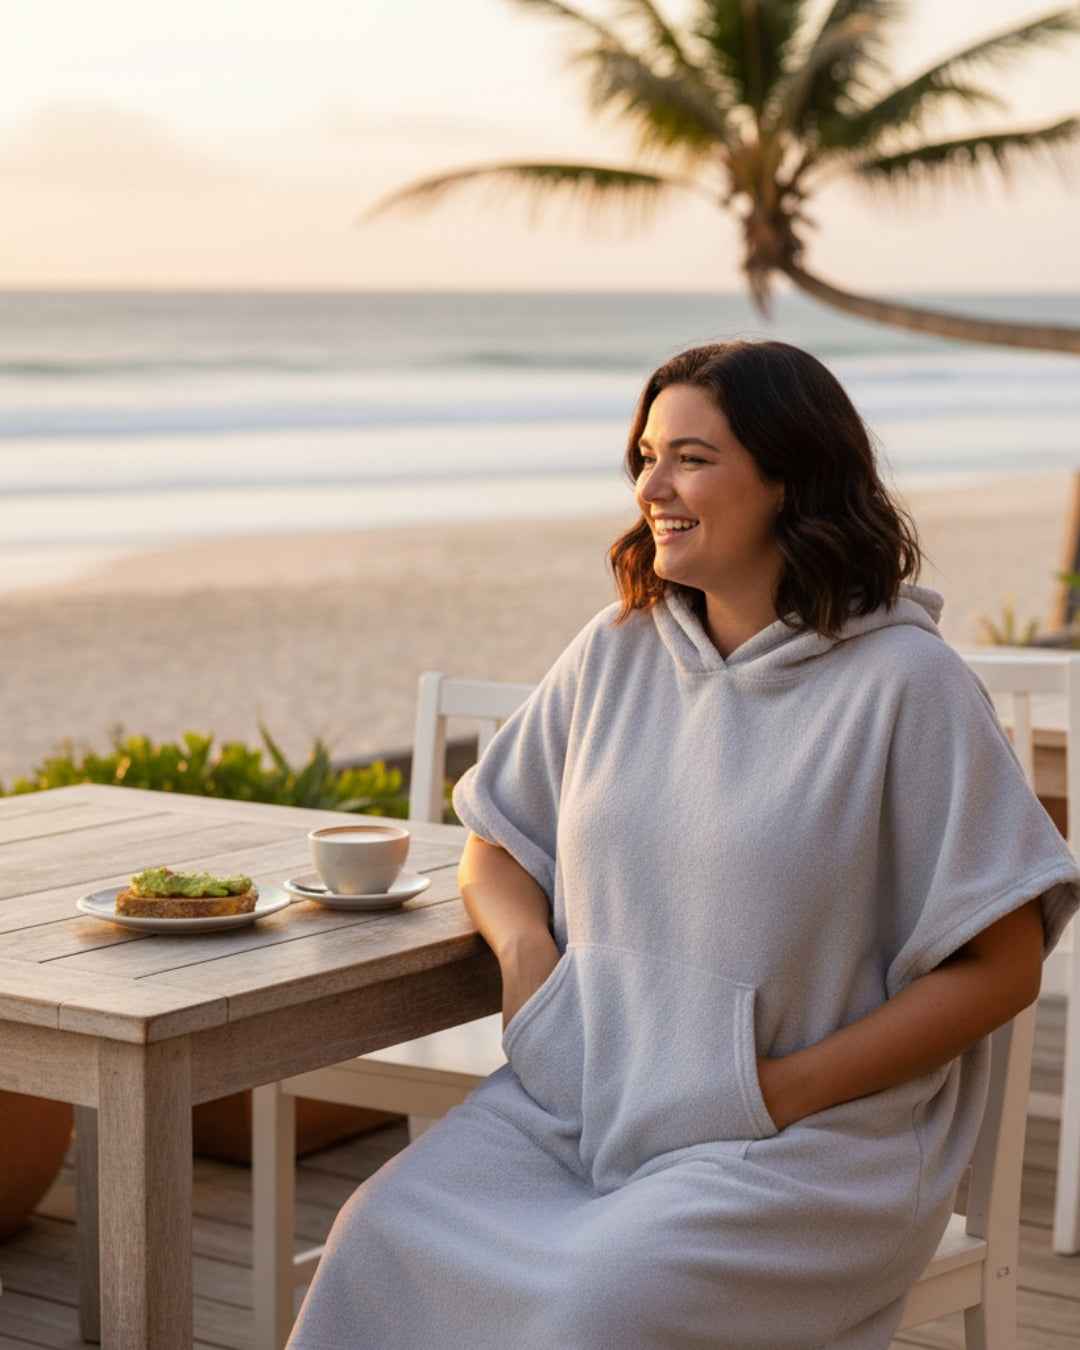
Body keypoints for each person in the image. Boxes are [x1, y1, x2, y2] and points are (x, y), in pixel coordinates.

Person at [288, 341, 1080, 1350]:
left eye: (691, 459)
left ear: (792, 478)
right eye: (646, 457)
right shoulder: (616, 647)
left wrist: (774, 1092)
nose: (651, 487)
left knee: (597, 1309)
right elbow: (499, 841)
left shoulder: (908, 687)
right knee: (373, 1240)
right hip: (578, 1104)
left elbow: (1002, 967)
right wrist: (529, 962)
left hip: (805, 1144)